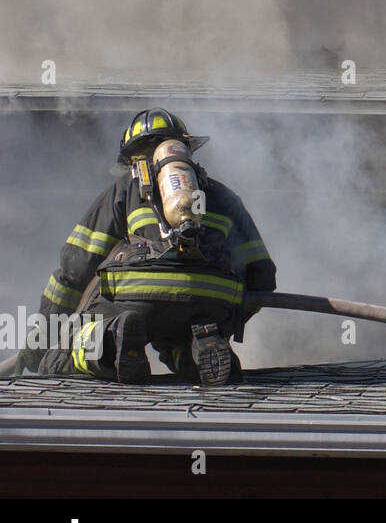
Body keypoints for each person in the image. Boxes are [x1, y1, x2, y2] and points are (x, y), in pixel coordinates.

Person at [17, 108, 275, 386]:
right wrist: (224, 319)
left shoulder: (124, 189)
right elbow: (262, 276)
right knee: (181, 337)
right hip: (210, 300)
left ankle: (116, 341)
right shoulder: (223, 196)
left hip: (137, 297)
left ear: (133, 156)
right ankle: (193, 352)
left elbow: (75, 271)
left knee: (66, 350)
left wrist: (39, 340)